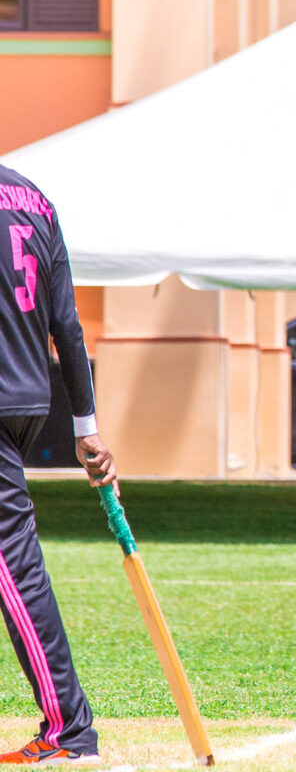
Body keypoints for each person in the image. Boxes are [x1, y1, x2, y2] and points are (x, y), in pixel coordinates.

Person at [0, 163, 116, 766]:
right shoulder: (34, 198)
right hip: (28, 399)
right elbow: (66, 324)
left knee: (13, 566)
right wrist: (85, 427)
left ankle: (69, 728)